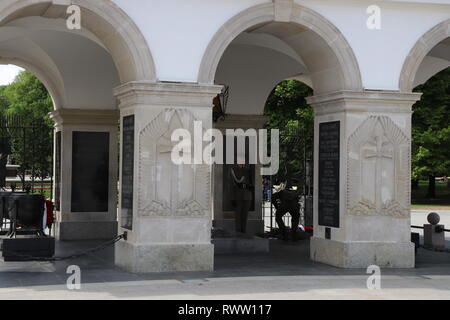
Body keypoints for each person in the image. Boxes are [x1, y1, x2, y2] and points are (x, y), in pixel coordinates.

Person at [230, 163, 253, 235]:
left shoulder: (247, 171)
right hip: (238, 195)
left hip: (247, 195)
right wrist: (232, 198)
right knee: (238, 215)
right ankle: (238, 232)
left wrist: (248, 186)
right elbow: (232, 185)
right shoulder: (233, 170)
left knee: (245, 215)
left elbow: (252, 184)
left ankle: (243, 231)